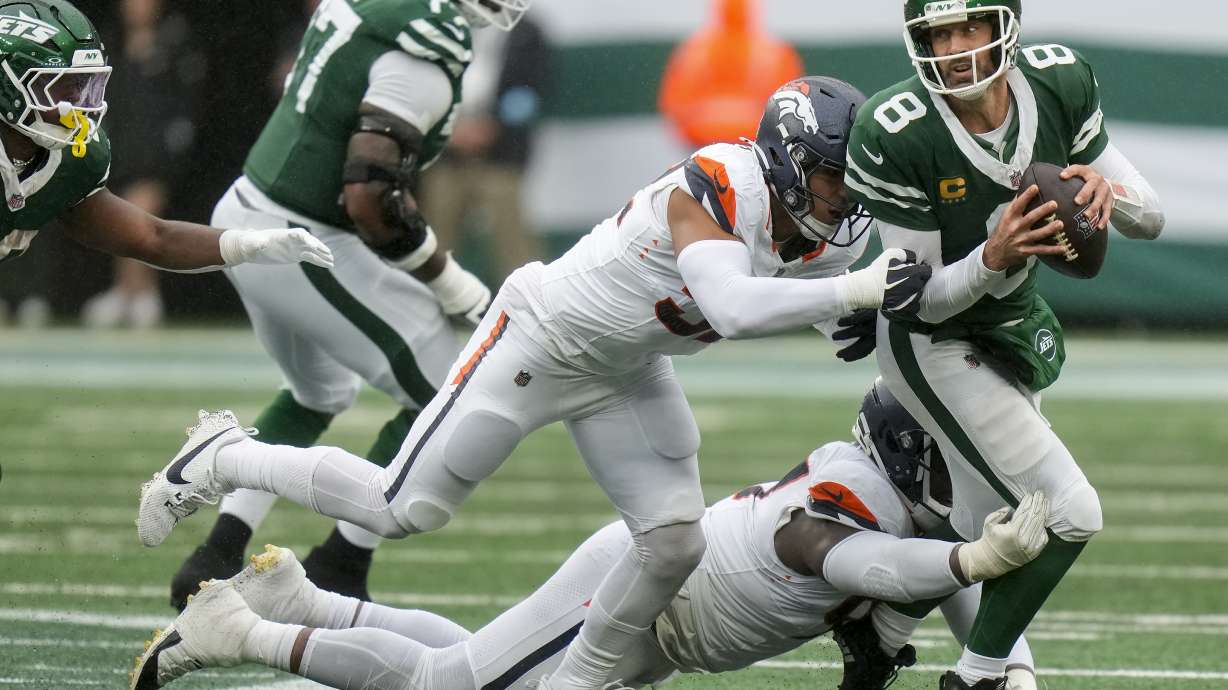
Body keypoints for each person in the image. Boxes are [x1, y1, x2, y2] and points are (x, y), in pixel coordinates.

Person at [136, 75, 933, 690]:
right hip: (544, 337)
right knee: (401, 504)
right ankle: (225, 452)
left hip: (626, 366)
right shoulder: (725, 179)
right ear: (790, 163)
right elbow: (734, 302)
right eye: (834, 176)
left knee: (674, 540)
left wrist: (860, 313)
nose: (848, 195)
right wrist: (854, 293)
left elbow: (823, 307)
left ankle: (582, 677)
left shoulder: (831, 236)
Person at [130, 382, 1049, 690]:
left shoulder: (923, 525)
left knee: (482, 662)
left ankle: (311, 599)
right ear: (908, 449)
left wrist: (1013, 667)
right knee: (454, 687)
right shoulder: (862, 503)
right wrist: (973, 558)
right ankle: (240, 633)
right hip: (645, 592)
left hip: (668, 630)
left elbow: (977, 619)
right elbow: (842, 558)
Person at [166, 0, 531, 609]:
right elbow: (370, 196)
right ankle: (341, 560)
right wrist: (446, 278)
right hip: (301, 239)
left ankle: (218, 552)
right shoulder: (421, 51)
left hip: (254, 209)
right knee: (450, 382)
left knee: (320, 392)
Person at [841, 2, 1165, 688]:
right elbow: (916, 299)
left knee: (972, 518)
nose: (954, 48)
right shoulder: (895, 130)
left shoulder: (1058, 83)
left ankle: (880, 631)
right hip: (929, 342)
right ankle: (980, 673)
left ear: (1003, 26)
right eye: (938, 33)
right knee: (1068, 510)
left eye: (968, 28)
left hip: (1011, 320)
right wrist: (991, 257)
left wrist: (1110, 193)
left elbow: (1152, 217)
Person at [0, 1, 333, 278]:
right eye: (60, 89)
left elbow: (153, 238)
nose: (79, 108)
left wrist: (247, 244)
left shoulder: (66, 160)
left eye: (85, 88)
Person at [79, 0, 204, 329]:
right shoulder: (110, 42)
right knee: (119, 216)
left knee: (143, 213)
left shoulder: (175, 40)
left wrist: (176, 139)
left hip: (156, 151)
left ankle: (143, 292)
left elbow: (188, 97)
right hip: (122, 148)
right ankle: (127, 291)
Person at [419, 13, 551, 284]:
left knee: (513, 242)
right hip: (445, 155)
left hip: (499, 156)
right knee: (435, 241)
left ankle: (533, 310)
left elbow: (532, 91)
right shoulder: (436, 27)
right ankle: (430, 311)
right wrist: (448, 128)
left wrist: (495, 127)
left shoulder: (527, 32)